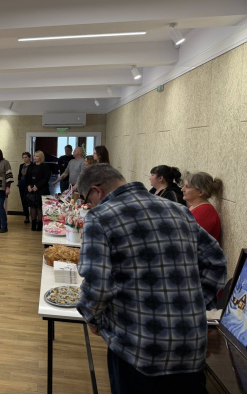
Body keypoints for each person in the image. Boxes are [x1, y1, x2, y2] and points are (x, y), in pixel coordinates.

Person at [76, 164, 226, 394]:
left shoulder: (100, 217)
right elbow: (216, 262)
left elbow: (98, 283)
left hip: (138, 348)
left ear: (97, 191)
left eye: (88, 199)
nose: (90, 205)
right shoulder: (178, 210)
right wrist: (194, 303)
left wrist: (92, 317)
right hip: (189, 345)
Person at [182, 172, 223, 242]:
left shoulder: (205, 211)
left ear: (201, 192)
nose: (182, 189)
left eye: (187, 187)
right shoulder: (193, 207)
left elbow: (188, 239)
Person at [26, 151, 51, 232]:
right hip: (32, 189)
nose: (35, 157)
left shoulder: (45, 166)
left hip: (42, 189)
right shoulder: (31, 166)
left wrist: (37, 186)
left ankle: (40, 224)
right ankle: (33, 223)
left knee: (39, 207)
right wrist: (29, 185)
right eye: (34, 156)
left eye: (37, 156)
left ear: (41, 157)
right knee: (33, 206)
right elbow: (27, 177)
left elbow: (46, 178)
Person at [17, 152, 32, 223]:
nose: (24, 159)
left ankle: (33, 216)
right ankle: (26, 216)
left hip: (29, 184)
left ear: (29, 157)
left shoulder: (32, 165)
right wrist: (19, 182)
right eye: (23, 158)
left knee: (29, 199)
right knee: (23, 200)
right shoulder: (21, 165)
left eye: (26, 157)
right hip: (22, 183)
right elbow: (19, 175)